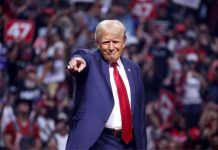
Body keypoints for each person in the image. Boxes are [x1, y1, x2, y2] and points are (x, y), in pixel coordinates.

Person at [66, 20, 147, 149]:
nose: (110, 47)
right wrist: (78, 61)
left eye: (115, 42)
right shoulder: (92, 62)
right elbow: (82, 55)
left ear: (124, 41)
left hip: (130, 143)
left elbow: (139, 114)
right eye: (105, 42)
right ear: (97, 43)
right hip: (99, 141)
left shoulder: (134, 69)